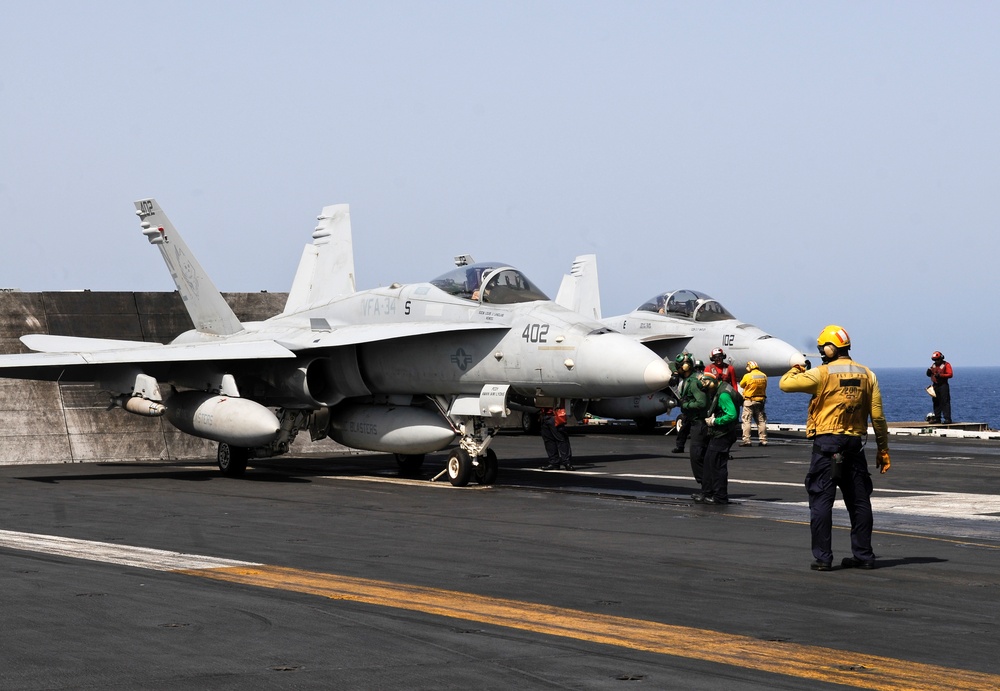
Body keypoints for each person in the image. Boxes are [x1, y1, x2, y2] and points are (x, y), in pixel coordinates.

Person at [779, 325, 891, 572]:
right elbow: (878, 418)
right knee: (860, 502)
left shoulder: (821, 374)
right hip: (854, 446)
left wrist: (796, 368)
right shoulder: (868, 375)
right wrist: (883, 449)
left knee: (821, 501)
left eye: (822, 348)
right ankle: (863, 555)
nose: (821, 352)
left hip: (827, 445)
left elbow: (785, 385)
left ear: (830, 348)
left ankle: (823, 558)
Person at [692, 371, 739, 504]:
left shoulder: (723, 394)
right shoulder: (722, 387)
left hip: (723, 434)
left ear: (711, 381)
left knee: (717, 465)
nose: (705, 387)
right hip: (718, 434)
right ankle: (707, 492)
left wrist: (715, 421)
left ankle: (720, 497)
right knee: (708, 462)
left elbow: (731, 415)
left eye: (706, 383)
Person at [670, 352, 696, 454]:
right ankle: (680, 446)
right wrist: (675, 373)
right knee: (684, 428)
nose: (677, 367)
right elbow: (671, 364)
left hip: (695, 407)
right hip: (687, 408)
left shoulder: (695, 378)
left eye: (679, 366)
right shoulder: (683, 376)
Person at [739, 360, 768, 447]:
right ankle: (763, 440)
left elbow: (741, 385)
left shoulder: (747, 376)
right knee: (761, 421)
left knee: (747, 421)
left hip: (749, 401)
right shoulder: (764, 375)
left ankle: (747, 440)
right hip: (760, 401)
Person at [539, 399, 574, 471]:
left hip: (555, 415)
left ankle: (566, 462)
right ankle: (555, 462)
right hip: (546, 415)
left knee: (560, 439)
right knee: (549, 440)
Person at [926, 351, 953, 424]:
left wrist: (941, 375)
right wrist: (928, 373)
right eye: (935, 360)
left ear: (941, 358)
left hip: (943, 385)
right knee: (936, 402)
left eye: (937, 359)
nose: (936, 361)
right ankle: (937, 418)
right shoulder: (933, 365)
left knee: (945, 402)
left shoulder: (946, 365)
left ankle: (947, 419)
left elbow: (950, 374)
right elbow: (931, 372)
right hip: (935, 385)